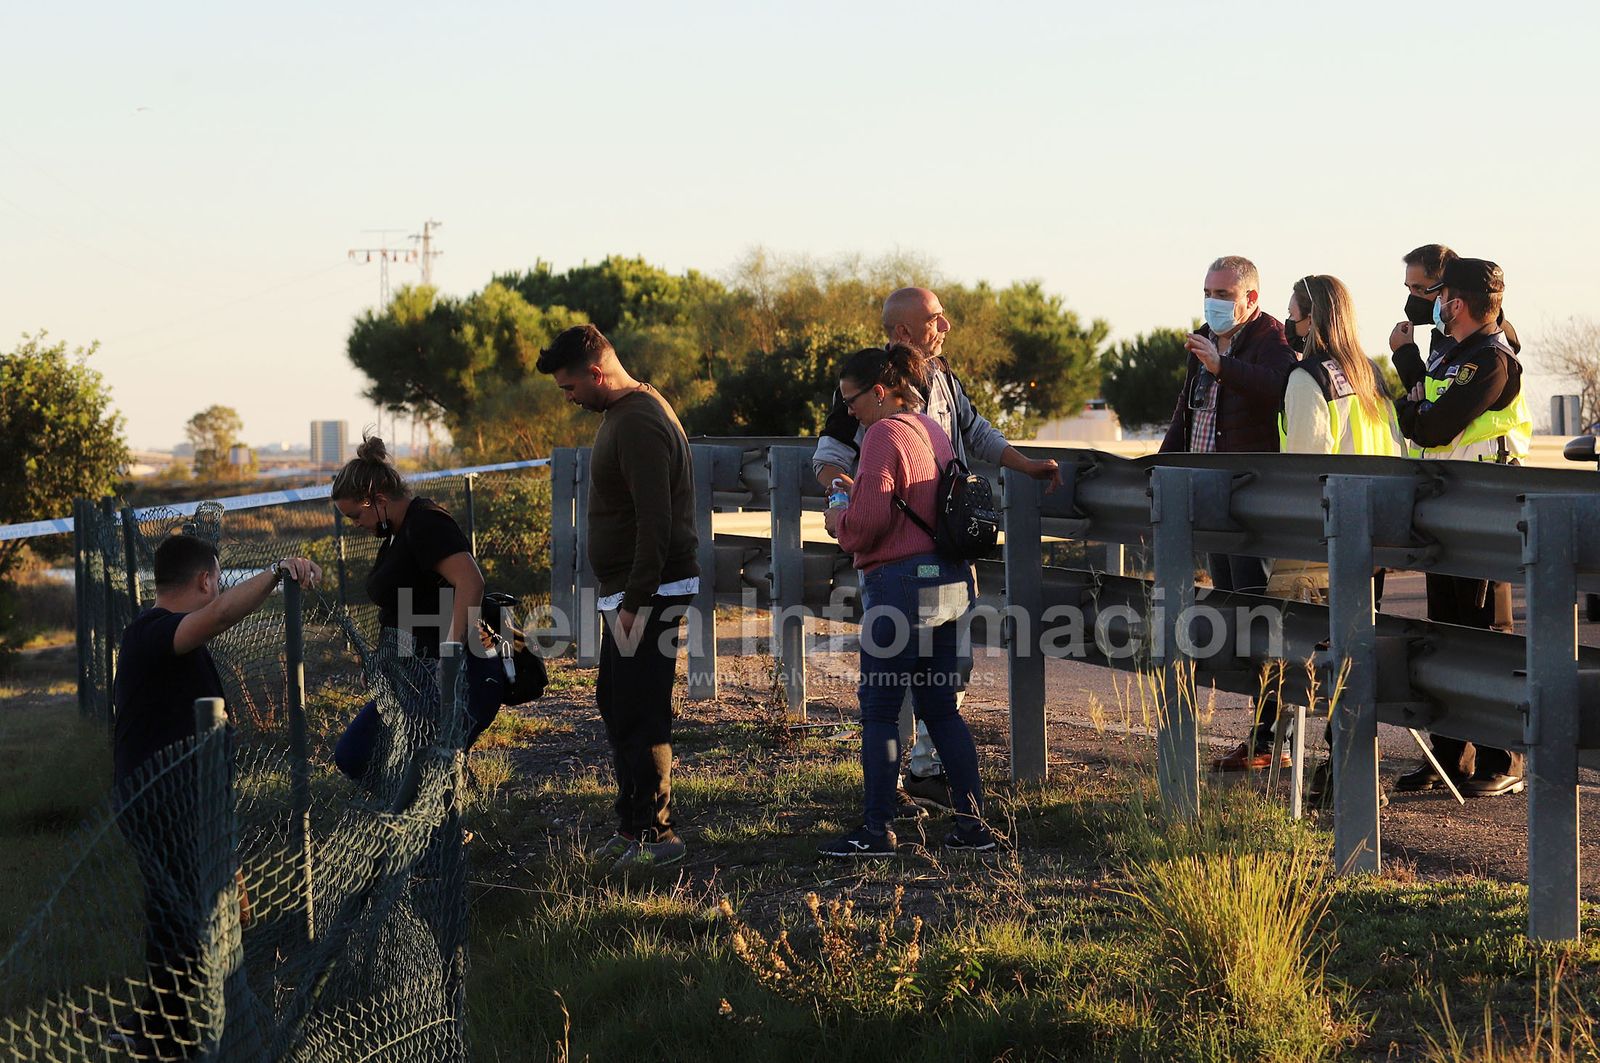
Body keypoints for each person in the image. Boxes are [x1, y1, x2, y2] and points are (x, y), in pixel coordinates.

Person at [814, 286, 1059, 815]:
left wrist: (845, 520)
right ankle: (960, 811)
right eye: (936, 319)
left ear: (877, 396)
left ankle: (890, 809)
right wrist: (840, 486)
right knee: (936, 699)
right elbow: (830, 454)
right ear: (904, 332)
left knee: (886, 700)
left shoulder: (914, 402)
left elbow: (979, 434)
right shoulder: (874, 393)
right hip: (945, 567)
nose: (945, 327)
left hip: (902, 568)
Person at [111, 534, 321, 1055]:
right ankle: (186, 1034)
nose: (218, 589)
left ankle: (169, 1029)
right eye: (217, 579)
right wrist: (276, 573)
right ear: (205, 579)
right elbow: (222, 615)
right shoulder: (153, 632)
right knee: (186, 920)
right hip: (163, 807)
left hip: (186, 804)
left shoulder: (170, 638)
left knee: (179, 917)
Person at [819, 344, 996, 856]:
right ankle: (973, 827)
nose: (848, 410)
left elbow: (870, 522)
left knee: (878, 710)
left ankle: (876, 831)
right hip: (949, 583)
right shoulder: (932, 430)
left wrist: (839, 521)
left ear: (879, 391)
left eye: (851, 400)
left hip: (899, 588)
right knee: (941, 710)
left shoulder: (881, 434)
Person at [537, 323, 699, 870]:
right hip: (632, 591)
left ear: (596, 372)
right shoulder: (626, 413)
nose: (570, 398)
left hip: (647, 593)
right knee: (616, 701)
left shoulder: (638, 422)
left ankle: (656, 836)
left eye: (569, 388)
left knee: (639, 710)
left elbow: (657, 520)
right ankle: (632, 825)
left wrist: (634, 599)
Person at [1392, 257, 1531, 798]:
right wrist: (1414, 381)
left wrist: (1409, 380)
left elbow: (1432, 421)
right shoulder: (1451, 351)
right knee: (1444, 635)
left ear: (1459, 302)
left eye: (1442, 293)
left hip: (1485, 513)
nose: (1435, 301)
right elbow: (1426, 411)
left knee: (1484, 637)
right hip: (1446, 504)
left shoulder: (1491, 360)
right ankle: (1446, 756)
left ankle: (1502, 758)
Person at [330, 436, 501, 782]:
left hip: (459, 672)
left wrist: (449, 660)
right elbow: (406, 606)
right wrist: (384, 662)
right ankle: (438, 801)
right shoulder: (397, 532)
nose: (355, 525)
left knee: (414, 765)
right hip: (413, 675)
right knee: (355, 755)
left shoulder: (426, 523)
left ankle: (443, 817)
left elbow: (471, 583)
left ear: (377, 499)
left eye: (354, 515)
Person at [1160, 255, 1298, 596]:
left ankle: (1256, 651)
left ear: (1250, 298)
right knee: (1223, 590)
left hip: (1247, 490)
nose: (1212, 302)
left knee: (1250, 591)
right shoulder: (1205, 337)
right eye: (1207, 292)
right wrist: (1160, 464)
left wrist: (1222, 366)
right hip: (1206, 488)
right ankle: (1231, 651)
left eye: (1223, 294)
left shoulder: (1271, 337)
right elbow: (1187, 408)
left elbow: (1276, 387)